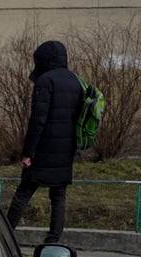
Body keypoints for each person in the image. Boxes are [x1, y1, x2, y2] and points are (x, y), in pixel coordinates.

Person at [5, 41, 83, 244]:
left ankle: (5, 233)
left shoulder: (45, 81)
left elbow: (38, 119)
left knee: (24, 192)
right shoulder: (76, 81)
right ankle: (53, 239)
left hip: (44, 150)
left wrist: (28, 152)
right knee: (58, 196)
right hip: (65, 150)